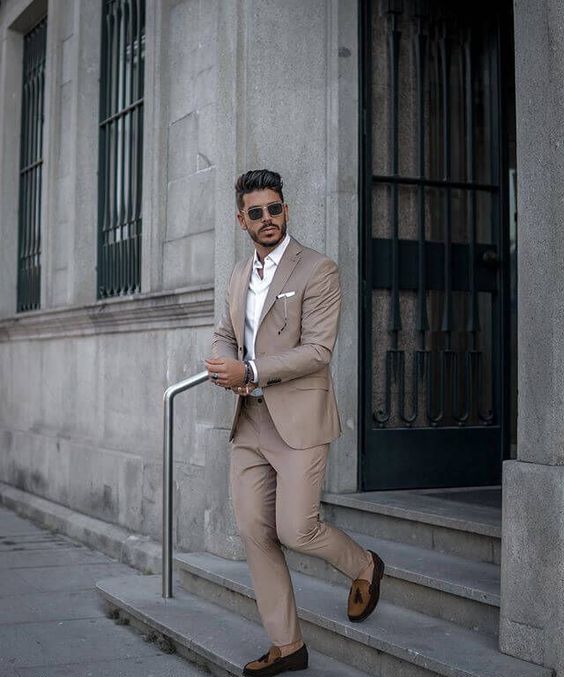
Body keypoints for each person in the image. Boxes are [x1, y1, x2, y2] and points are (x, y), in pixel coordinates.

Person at [205, 169, 385, 676]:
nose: (268, 219)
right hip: (249, 421)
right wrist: (224, 364)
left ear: (287, 210)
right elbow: (225, 331)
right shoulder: (241, 274)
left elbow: (318, 350)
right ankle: (288, 645)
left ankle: (365, 566)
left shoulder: (318, 270)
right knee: (254, 529)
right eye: (257, 212)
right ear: (241, 218)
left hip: (299, 419)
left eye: (276, 209)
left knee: (297, 528)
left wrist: (254, 370)